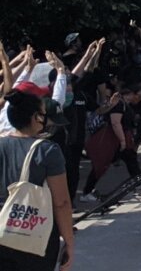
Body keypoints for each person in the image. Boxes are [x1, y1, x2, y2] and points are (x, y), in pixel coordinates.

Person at [1, 90, 75, 271]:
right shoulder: (48, 151)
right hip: (35, 235)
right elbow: (61, 202)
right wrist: (69, 241)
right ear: (36, 118)